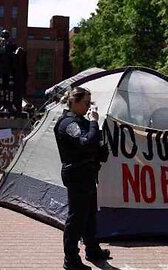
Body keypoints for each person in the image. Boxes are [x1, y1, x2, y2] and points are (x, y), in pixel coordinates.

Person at [53, 87, 110, 270]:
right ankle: (71, 259)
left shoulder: (80, 121)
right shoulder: (68, 123)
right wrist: (94, 123)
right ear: (75, 102)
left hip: (87, 171)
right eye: (86, 103)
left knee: (90, 214)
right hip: (76, 173)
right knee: (76, 218)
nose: (88, 107)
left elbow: (94, 144)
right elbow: (85, 142)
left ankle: (92, 248)